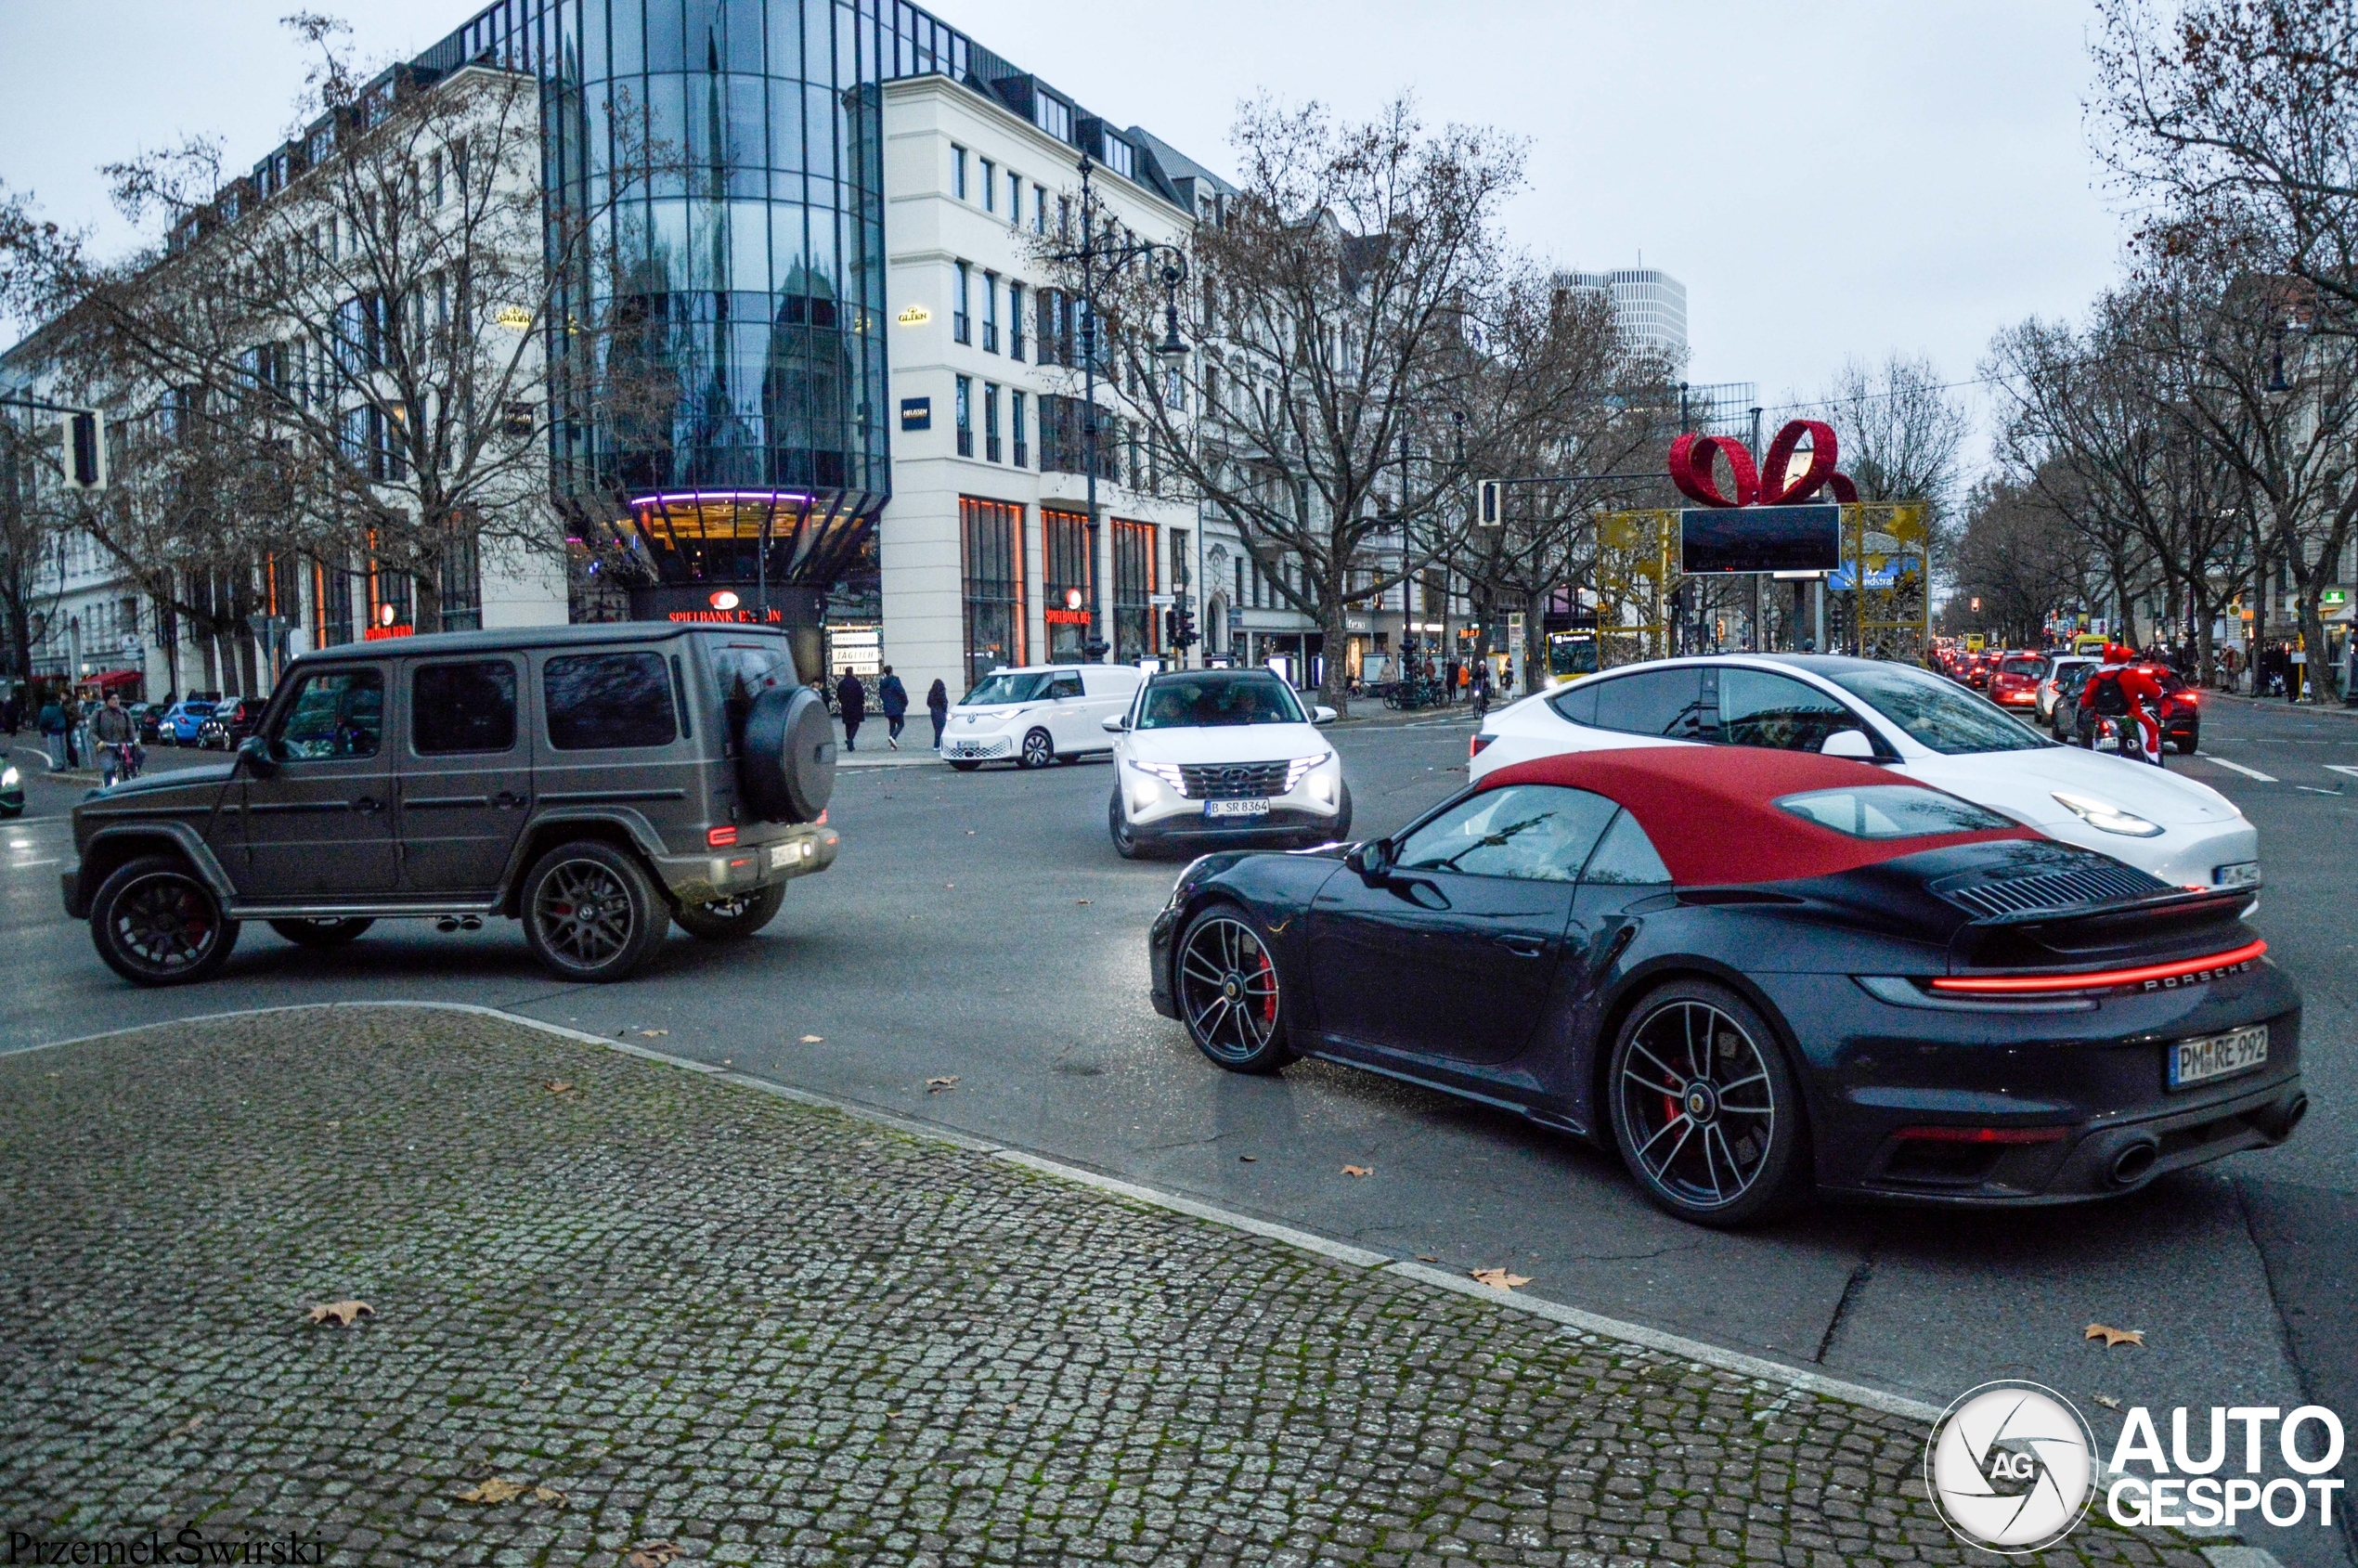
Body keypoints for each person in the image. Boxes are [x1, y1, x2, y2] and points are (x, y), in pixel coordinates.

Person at [2077, 642, 2165, 765]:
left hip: (2102, 718)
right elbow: (2156, 691)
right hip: (2131, 716)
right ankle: (2153, 761)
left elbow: (2086, 701)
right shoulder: (2131, 675)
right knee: (2151, 728)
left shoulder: (2096, 678)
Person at [91, 692, 137, 787]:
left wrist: (135, 740)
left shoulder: (124, 713)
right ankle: (107, 789)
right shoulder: (98, 714)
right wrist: (98, 741)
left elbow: (131, 729)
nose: (116, 701)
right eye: (113, 699)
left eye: (117, 699)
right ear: (107, 701)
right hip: (106, 747)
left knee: (141, 754)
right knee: (109, 769)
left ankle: (131, 776)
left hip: (122, 746)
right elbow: (91, 732)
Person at [877, 664, 909, 750]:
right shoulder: (895, 680)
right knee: (901, 723)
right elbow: (901, 691)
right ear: (891, 671)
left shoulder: (882, 683)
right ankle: (893, 737)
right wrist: (905, 701)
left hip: (888, 706)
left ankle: (892, 745)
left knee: (892, 725)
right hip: (896, 705)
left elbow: (881, 694)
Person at [835, 667, 866, 752]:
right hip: (856, 706)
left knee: (848, 725)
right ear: (852, 672)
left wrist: (842, 702)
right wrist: (862, 702)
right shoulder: (856, 682)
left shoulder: (841, 683)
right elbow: (861, 694)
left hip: (845, 706)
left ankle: (850, 745)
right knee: (856, 724)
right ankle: (850, 740)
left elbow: (838, 695)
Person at [926, 677, 950, 749]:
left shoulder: (931, 692)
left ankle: (936, 745)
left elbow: (928, 702)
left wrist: (932, 707)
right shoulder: (942, 692)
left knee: (937, 729)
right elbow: (944, 702)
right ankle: (941, 745)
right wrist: (945, 710)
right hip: (940, 711)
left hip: (933, 711)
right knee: (942, 728)